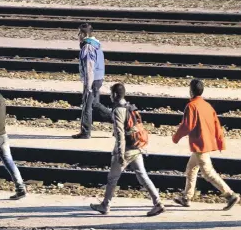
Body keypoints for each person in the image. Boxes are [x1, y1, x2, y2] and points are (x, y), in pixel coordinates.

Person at [90, 83, 165, 216]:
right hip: (137, 147)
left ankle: (105, 205)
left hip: (127, 149)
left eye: (111, 94)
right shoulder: (131, 107)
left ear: (114, 95)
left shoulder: (118, 110)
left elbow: (120, 134)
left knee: (112, 178)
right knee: (143, 176)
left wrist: (120, 153)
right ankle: (158, 203)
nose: (110, 97)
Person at [172, 79, 239, 210]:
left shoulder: (191, 106)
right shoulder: (208, 106)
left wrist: (176, 137)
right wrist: (220, 142)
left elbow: (187, 125)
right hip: (205, 143)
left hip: (199, 145)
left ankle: (230, 195)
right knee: (191, 168)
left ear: (191, 91)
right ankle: (186, 197)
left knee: (208, 172)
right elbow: (217, 125)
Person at [72, 23, 112, 139]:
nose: (78, 35)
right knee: (95, 104)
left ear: (84, 34)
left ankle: (85, 132)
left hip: (92, 80)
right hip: (98, 78)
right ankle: (118, 120)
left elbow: (89, 68)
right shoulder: (96, 44)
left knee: (87, 105)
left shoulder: (88, 47)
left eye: (79, 33)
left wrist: (88, 86)